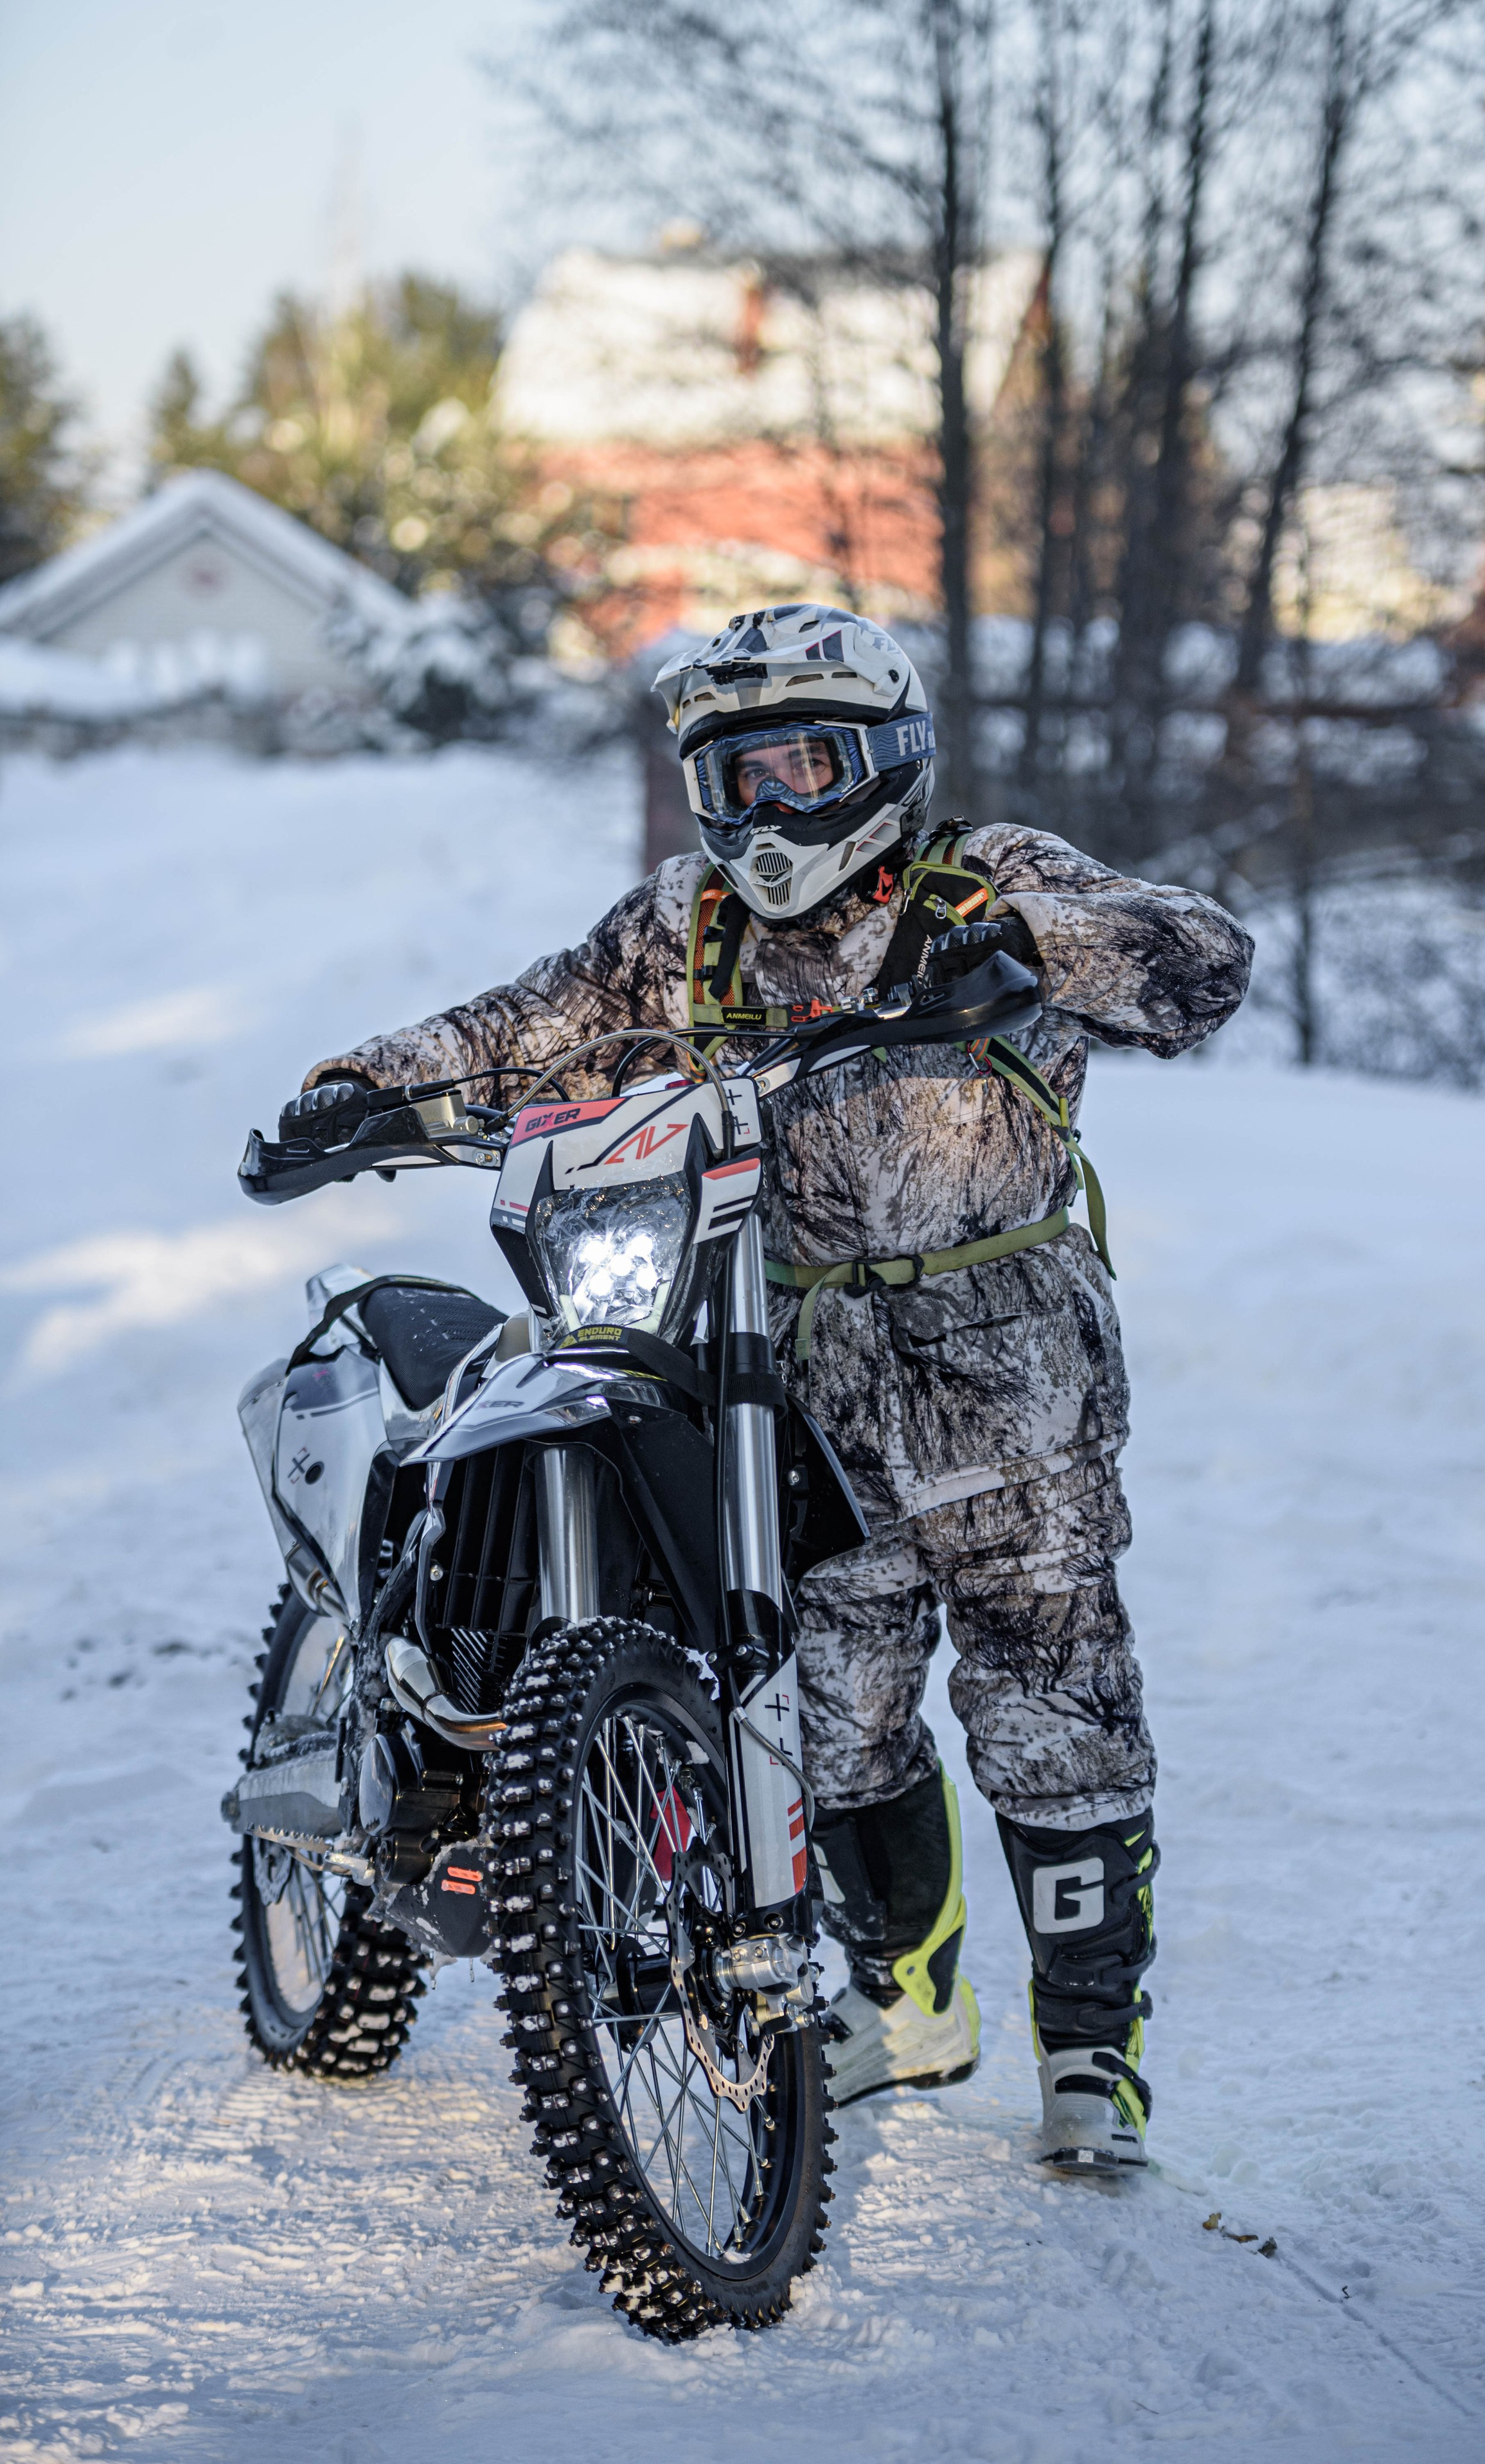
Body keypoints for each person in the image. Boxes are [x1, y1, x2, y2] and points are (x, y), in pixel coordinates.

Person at [287, 605, 1252, 2173]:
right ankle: (909, 2000)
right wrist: (364, 1088)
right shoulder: (685, 926)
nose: (773, 810)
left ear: (886, 761)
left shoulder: (983, 876)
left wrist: (1037, 949)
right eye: (738, 776)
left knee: (1051, 1712)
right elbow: (525, 1026)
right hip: (785, 1381)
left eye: (810, 766)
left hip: (1011, 1384)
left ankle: (1093, 2050)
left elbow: (1196, 965)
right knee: (841, 1718)